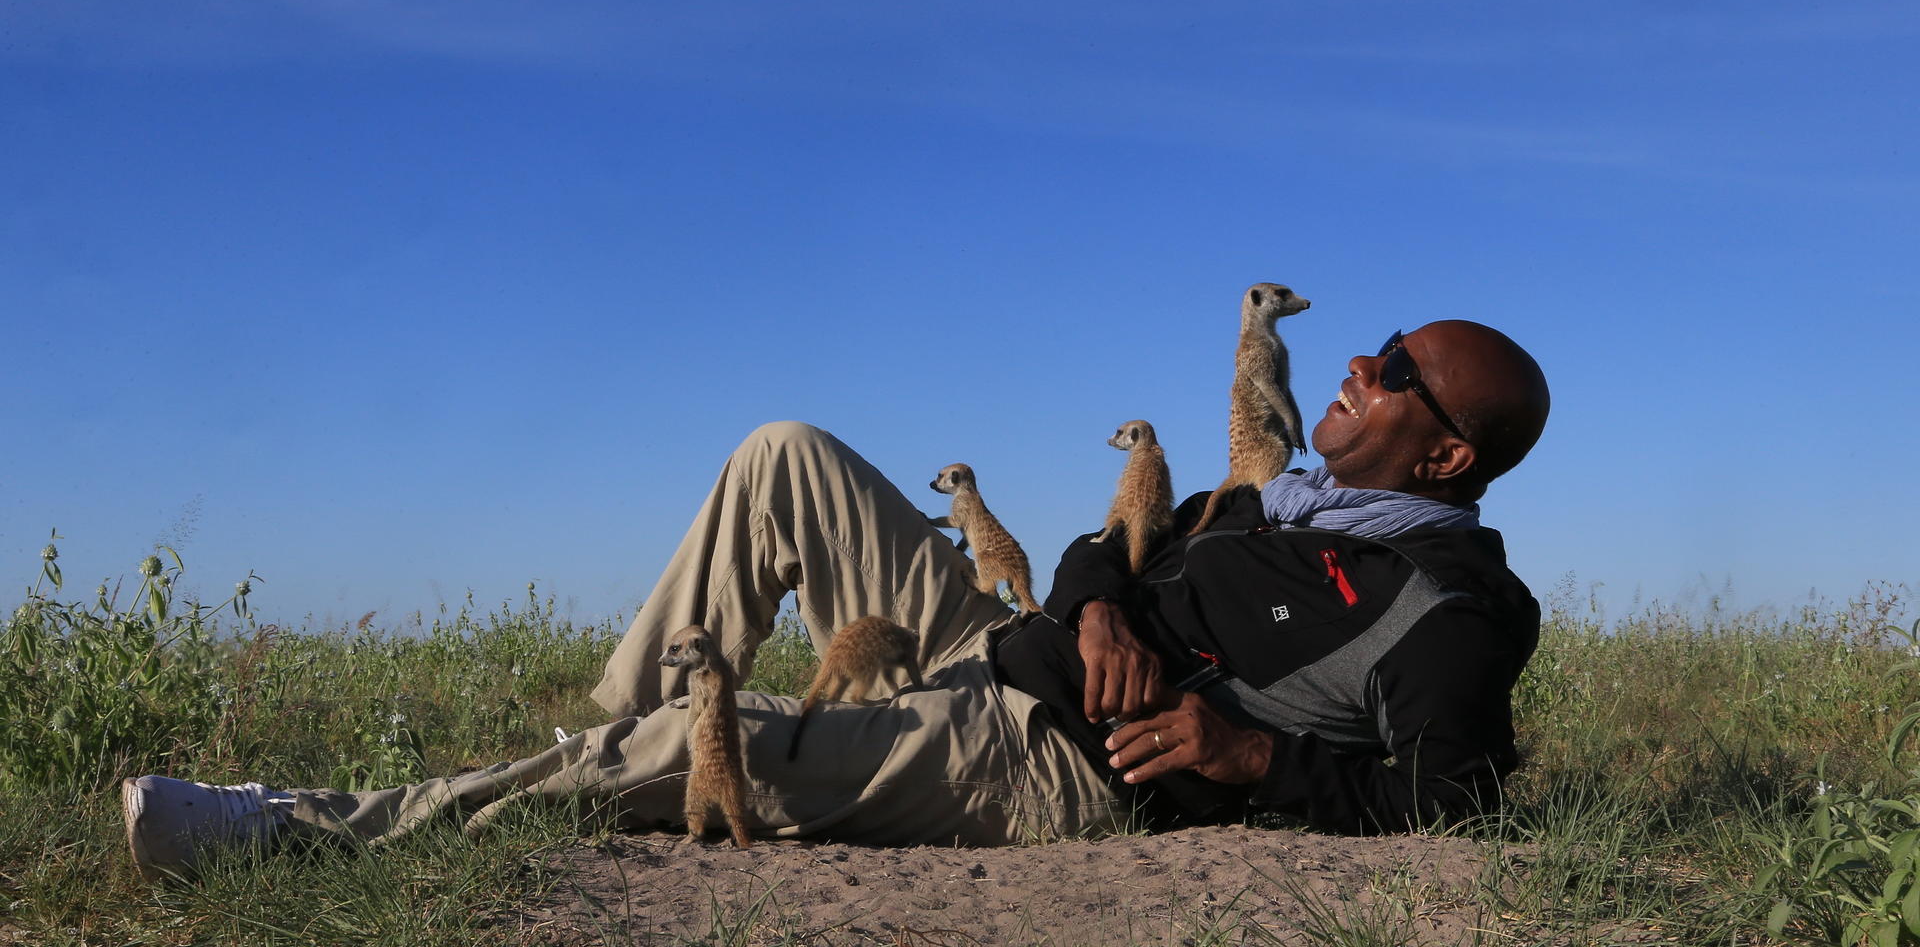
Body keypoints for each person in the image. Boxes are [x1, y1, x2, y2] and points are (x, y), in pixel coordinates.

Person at [122, 319, 1549, 878]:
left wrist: (1246, 757)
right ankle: (595, 747)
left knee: (710, 745)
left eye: (1394, 374)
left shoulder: (1449, 606)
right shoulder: (1273, 498)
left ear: (1446, 455)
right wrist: (1099, 604)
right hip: (1014, 640)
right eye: (1372, 347)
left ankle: (288, 834)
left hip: (1050, 754)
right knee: (783, 455)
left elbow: (1457, 794)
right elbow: (1104, 548)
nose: (1354, 369)